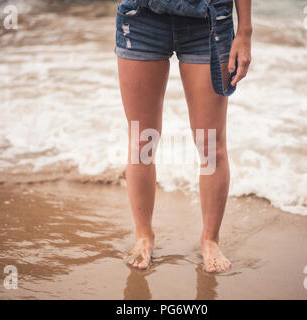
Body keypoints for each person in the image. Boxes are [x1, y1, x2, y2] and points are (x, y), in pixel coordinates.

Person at [114, 0, 252, 273]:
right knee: (143, 140)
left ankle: (210, 240)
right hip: (142, 16)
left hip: (209, 20)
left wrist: (245, 31)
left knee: (210, 144)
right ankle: (143, 236)